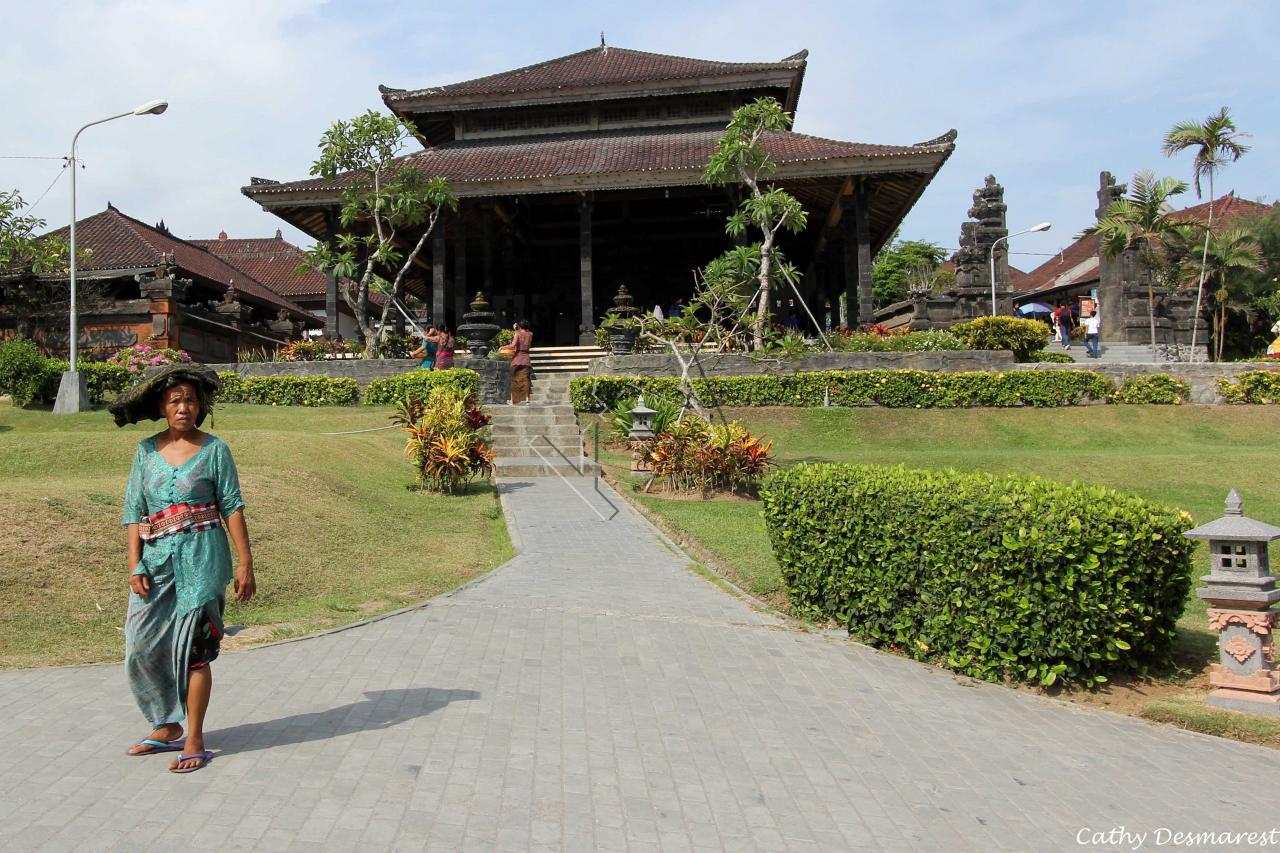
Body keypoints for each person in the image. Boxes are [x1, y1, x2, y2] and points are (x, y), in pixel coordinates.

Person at [107, 364, 255, 774]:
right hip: (155, 563)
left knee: (195, 652)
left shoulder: (215, 450)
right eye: (175, 401)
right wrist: (134, 562)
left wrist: (245, 561)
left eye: (191, 400)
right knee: (140, 646)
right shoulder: (145, 451)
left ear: (200, 406)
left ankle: (194, 736)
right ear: (162, 407)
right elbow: (134, 511)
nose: (184, 407)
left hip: (204, 562)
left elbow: (232, 506)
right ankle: (166, 726)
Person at [509, 319, 533, 404]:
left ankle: (512, 401)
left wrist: (502, 347)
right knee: (526, 379)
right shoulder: (530, 334)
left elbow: (513, 345)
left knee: (515, 379)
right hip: (526, 358)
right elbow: (524, 333)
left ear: (520, 326)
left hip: (517, 358)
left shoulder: (517, 334)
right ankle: (527, 399)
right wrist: (517, 328)